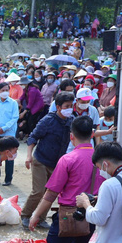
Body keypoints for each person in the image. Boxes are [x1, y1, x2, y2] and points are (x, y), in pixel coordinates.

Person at [28, 116, 101, 243]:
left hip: (66, 218)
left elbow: (51, 193)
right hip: (90, 215)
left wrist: (36, 214)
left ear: (71, 136)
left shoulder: (68, 159)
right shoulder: (102, 160)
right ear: (92, 134)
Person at [22, 91, 75, 229]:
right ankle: (26, 215)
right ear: (58, 107)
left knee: (50, 192)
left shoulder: (71, 120)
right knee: (38, 191)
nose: (70, 108)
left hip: (57, 163)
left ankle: (41, 218)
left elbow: (83, 133)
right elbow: (33, 137)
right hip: (40, 160)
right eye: (66, 106)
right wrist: (29, 156)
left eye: (71, 105)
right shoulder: (48, 120)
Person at [0, 81, 21, 185]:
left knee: (9, 156)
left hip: (9, 133)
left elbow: (15, 118)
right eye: (3, 90)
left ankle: (8, 179)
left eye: (7, 90)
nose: (5, 92)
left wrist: (4, 128)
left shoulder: (13, 103)